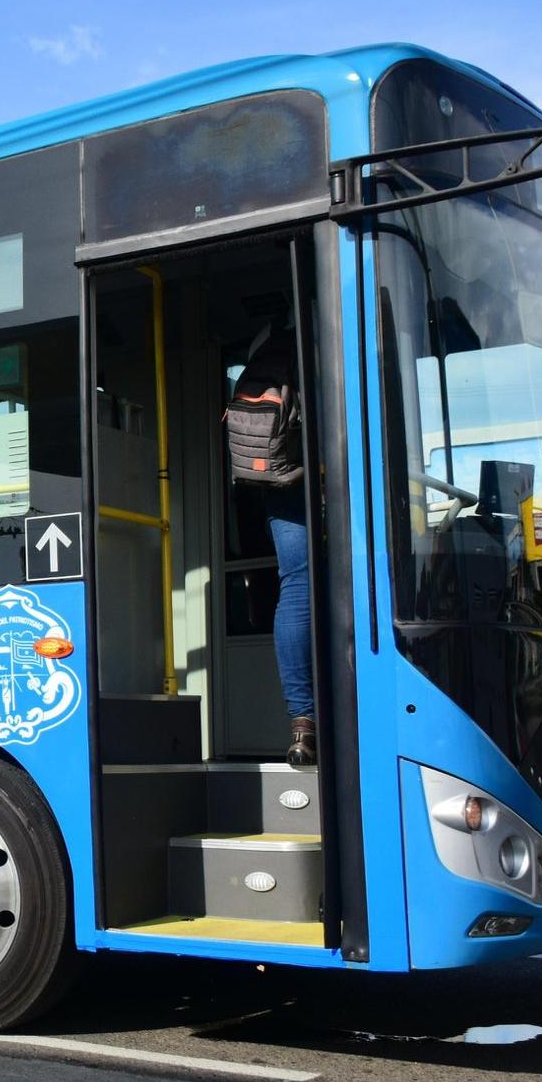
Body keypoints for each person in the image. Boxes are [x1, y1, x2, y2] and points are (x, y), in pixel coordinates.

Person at [224, 322, 315, 766]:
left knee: (295, 583)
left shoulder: (264, 340)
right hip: (314, 472)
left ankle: (303, 721)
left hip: (276, 477)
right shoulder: (334, 324)